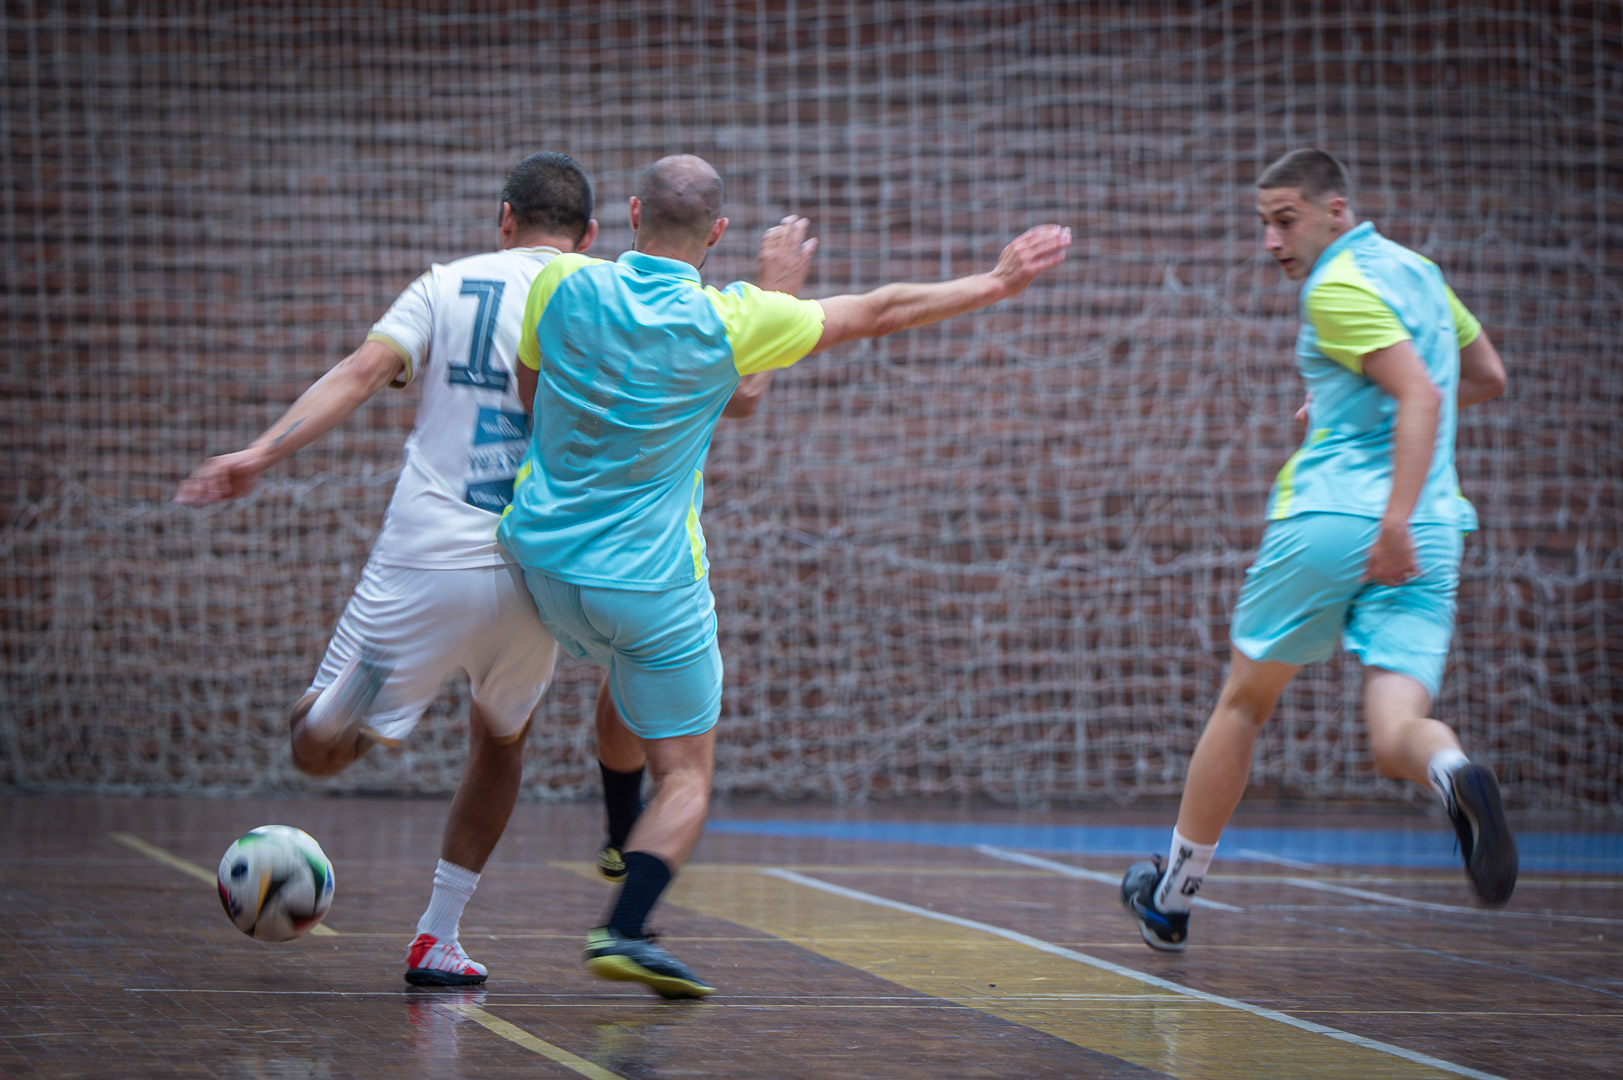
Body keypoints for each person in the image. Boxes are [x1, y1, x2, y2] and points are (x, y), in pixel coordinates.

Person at [498, 152, 1070, 998]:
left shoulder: (560, 283)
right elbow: (875, 313)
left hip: (541, 562)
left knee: (623, 672)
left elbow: (530, 391)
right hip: (648, 585)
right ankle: (624, 928)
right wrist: (996, 280)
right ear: (718, 233)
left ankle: (621, 836)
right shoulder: (735, 318)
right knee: (687, 773)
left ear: (631, 213)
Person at [176, 152, 602, 988]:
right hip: (538, 564)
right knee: (502, 742)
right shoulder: (604, 294)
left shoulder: (447, 284)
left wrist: (259, 453)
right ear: (589, 235)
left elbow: (361, 373)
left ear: (505, 218)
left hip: (428, 552)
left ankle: (349, 701)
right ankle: (437, 936)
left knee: (318, 750)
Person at [1120, 149, 1514, 953]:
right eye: (1262, 223)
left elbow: (1421, 391)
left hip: (1342, 519)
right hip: (1436, 529)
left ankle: (1172, 897)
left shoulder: (1333, 286)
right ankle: (1451, 772)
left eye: (1285, 219)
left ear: (1336, 211)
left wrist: (1388, 516)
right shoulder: (1420, 273)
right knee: (1395, 733)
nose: (1271, 240)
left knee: (1243, 702)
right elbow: (1482, 376)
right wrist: (1350, 411)